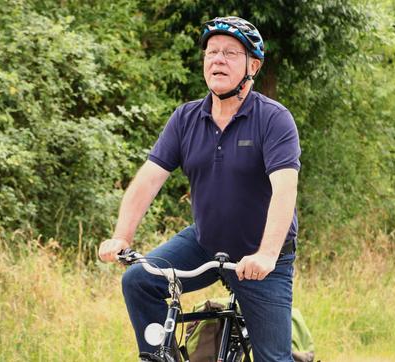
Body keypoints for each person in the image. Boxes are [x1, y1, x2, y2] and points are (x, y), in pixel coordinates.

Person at [98, 16, 301, 362]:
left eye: (230, 53)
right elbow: (148, 179)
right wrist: (122, 236)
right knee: (138, 281)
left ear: (253, 65)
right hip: (205, 242)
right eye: (212, 52)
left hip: (260, 257)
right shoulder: (186, 118)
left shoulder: (273, 119)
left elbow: (285, 190)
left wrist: (266, 255)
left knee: (274, 359)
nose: (218, 59)